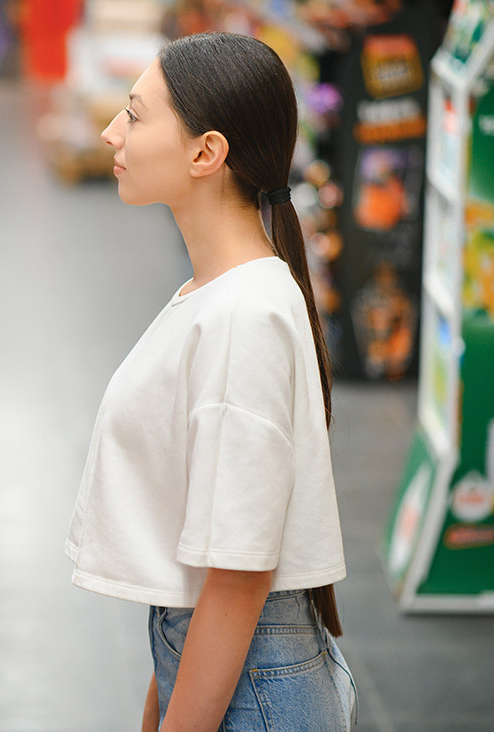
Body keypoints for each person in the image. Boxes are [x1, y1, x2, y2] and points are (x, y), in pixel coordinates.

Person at [64, 33, 359, 732]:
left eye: (134, 116)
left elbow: (238, 576)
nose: (110, 131)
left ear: (206, 152)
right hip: (230, 661)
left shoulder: (242, 317)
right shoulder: (221, 293)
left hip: (253, 686)